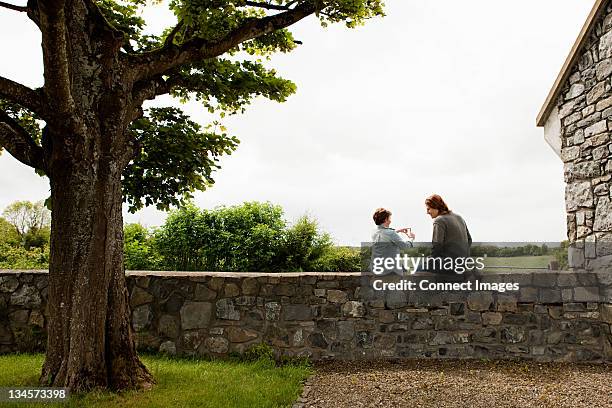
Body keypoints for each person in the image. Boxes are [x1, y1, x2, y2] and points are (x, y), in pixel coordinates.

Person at [424, 194, 472, 273]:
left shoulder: (439, 220)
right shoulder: (459, 217)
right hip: (463, 263)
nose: (427, 212)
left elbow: (437, 246)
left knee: (419, 267)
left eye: (428, 209)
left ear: (436, 207)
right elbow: (469, 240)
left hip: (449, 264)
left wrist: (430, 261)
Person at [370, 208, 415, 275]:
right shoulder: (391, 233)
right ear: (385, 219)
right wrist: (411, 239)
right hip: (389, 272)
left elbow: (384, 234)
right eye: (389, 218)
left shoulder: (374, 232)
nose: (390, 221)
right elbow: (405, 246)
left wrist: (397, 231)